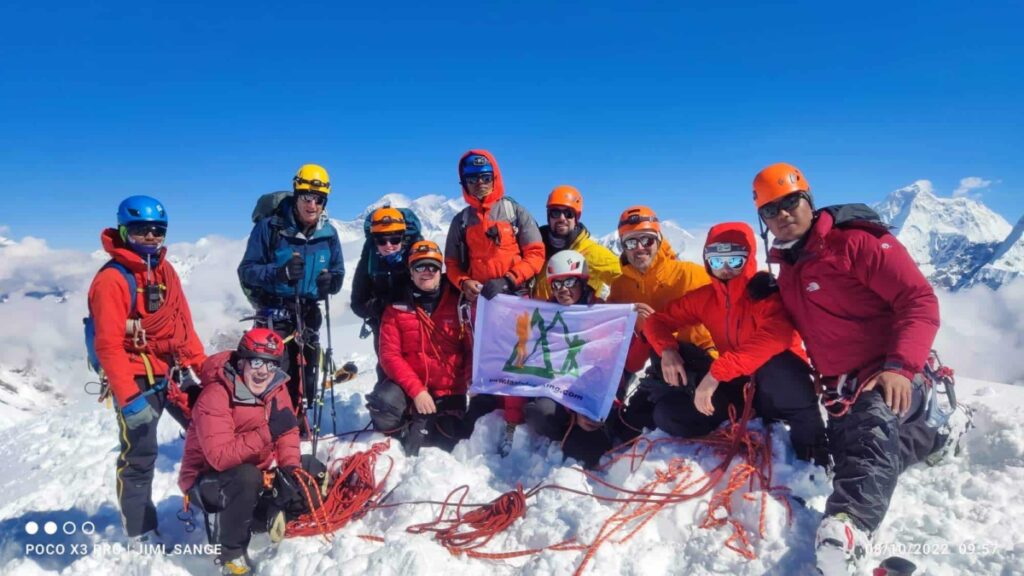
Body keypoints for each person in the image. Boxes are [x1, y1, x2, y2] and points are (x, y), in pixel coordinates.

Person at [752, 162, 971, 575]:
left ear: (809, 201)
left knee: (871, 427)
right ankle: (937, 432)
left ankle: (847, 531)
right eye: (770, 210)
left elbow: (919, 301)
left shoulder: (855, 241)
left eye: (790, 202)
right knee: (857, 454)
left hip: (892, 371)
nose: (782, 214)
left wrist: (900, 368)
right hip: (843, 387)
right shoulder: (789, 268)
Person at [641, 222, 827, 465]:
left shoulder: (764, 293)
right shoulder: (706, 298)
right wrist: (667, 349)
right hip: (740, 386)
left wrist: (716, 373)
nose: (726, 269)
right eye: (717, 261)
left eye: (735, 260)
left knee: (777, 364)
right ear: (708, 262)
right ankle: (733, 429)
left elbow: (777, 335)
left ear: (748, 259)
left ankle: (814, 453)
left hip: (782, 388)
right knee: (669, 414)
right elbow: (656, 321)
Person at [87, 195, 206, 545]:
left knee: (208, 434)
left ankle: (209, 498)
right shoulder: (112, 280)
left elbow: (183, 326)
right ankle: (140, 530)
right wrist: (128, 397)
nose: (151, 237)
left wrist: (205, 370)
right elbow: (107, 344)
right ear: (124, 231)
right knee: (139, 456)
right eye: (141, 230)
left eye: (158, 231)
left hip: (171, 370)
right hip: (136, 376)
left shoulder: (165, 271)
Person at [179, 328, 325, 575]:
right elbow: (220, 457)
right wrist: (268, 432)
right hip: (208, 481)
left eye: (271, 365)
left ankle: (264, 516)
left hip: (255, 474)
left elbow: (288, 432)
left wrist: (289, 468)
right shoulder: (215, 395)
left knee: (308, 469)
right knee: (246, 477)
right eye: (257, 362)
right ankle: (230, 554)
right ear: (242, 361)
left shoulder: (277, 388)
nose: (263, 372)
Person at [444, 150, 545, 452]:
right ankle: (486, 416)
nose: (480, 184)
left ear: (495, 177)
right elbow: (451, 264)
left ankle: (514, 421)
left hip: (516, 301)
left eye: (485, 178)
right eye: (472, 179)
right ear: (464, 183)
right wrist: (464, 283)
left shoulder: (515, 212)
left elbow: (536, 255)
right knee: (484, 363)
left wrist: (510, 279)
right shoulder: (461, 221)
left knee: (516, 363)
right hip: (482, 306)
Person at [237, 164, 344, 429]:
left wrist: (331, 282)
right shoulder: (269, 228)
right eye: (307, 197)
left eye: (319, 199)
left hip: (308, 315)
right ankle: (267, 428)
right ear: (296, 195)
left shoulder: (329, 234)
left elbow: (338, 273)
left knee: (306, 376)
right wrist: (279, 273)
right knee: (272, 375)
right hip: (275, 316)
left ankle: (296, 421)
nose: (312, 204)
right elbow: (247, 271)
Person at [606, 206, 717, 438]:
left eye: (646, 240)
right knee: (627, 424)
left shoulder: (691, 275)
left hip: (705, 362)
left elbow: (729, 307)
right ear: (623, 247)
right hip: (661, 366)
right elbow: (614, 341)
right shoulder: (620, 289)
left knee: (669, 416)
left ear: (658, 240)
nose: (639, 248)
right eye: (630, 242)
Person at [365, 240, 471, 456]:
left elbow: (471, 349)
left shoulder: (459, 304)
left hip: (448, 389)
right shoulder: (396, 308)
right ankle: (403, 425)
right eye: (420, 266)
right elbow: (389, 355)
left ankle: (424, 422)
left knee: (447, 442)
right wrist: (417, 392)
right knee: (383, 404)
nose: (427, 272)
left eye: (433, 266)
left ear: (441, 270)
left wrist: (470, 382)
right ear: (410, 272)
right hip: (411, 388)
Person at [523, 250, 616, 468]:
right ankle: (567, 427)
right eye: (556, 284)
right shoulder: (545, 316)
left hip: (594, 393)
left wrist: (585, 407)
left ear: (583, 282)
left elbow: (610, 368)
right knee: (541, 414)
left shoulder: (602, 314)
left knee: (590, 451)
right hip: (560, 391)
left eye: (570, 281)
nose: (562, 289)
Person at [350, 206, 423, 380]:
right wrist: (382, 307)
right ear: (374, 241)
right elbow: (358, 303)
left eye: (395, 239)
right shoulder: (369, 260)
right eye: (381, 241)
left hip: (417, 329)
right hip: (384, 331)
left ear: (404, 238)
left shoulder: (420, 256)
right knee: (388, 376)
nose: (388, 246)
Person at [532, 185, 621, 301]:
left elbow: (625, 281)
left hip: (578, 318)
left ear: (576, 218)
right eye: (555, 213)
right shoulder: (537, 251)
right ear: (548, 216)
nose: (562, 218)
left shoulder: (594, 254)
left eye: (568, 213)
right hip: (539, 317)